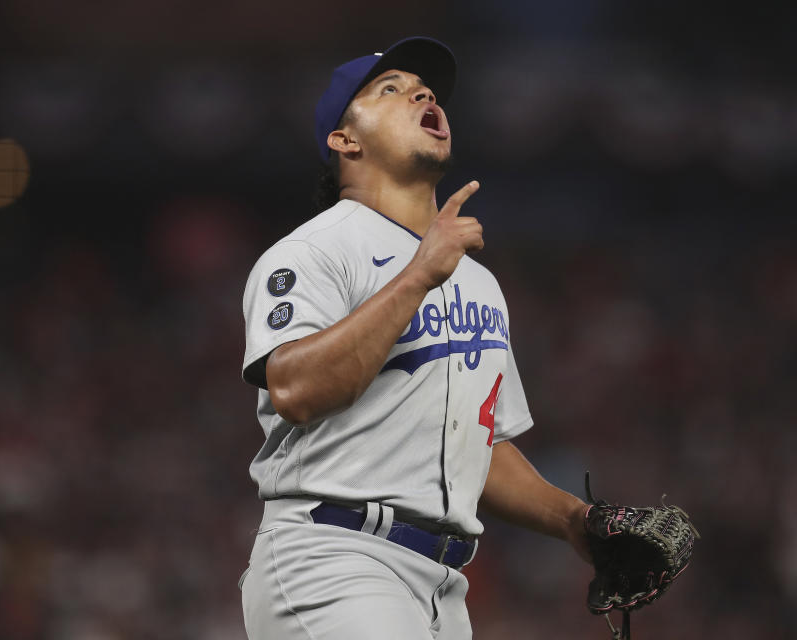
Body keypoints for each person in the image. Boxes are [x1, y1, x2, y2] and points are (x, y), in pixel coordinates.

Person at [239, 37, 590, 640]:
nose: (423, 94)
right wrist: (420, 273)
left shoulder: (476, 279)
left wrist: (573, 519)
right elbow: (294, 387)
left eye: (426, 90)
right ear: (344, 140)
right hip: (333, 558)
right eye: (392, 89)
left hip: (441, 586)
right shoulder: (317, 249)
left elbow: (472, 448)